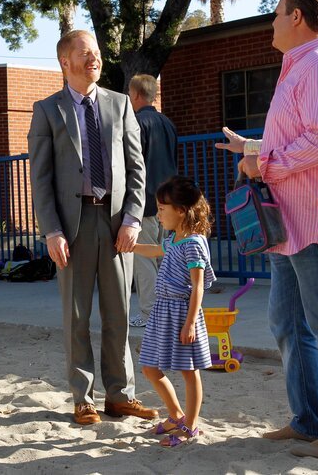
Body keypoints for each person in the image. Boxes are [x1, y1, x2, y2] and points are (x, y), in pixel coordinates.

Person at [216, 0, 318, 460]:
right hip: (294, 221)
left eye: (277, 13)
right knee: (288, 322)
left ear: (298, 17)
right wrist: (254, 148)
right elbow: (302, 136)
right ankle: (309, 421)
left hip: (317, 218)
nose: (272, 22)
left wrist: (263, 164)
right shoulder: (305, 64)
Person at [27, 29, 158, 426]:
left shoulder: (120, 105)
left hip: (118, 225)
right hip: (72, 226)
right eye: (85, 53)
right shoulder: (47, 110)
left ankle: (120, 396)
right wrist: (51, 230)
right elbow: (41, 178)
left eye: (97, 53)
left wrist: (134, 218)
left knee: (119, 312)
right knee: (77, 316)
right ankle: (82, 398)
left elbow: (137, 169)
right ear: (65, 61)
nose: (94, 59)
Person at [134, 176, 214, 447]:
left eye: (161, 209)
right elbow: (157, 250)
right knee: (149, 367)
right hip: (162, 310)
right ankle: (176, 415)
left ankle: (190, 427)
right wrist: (130, 246)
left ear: (181, 210)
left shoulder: (193, 242)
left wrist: (190, 323)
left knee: (189, 371)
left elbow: (198, 286)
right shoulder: (175, 238)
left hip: (182, 312)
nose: (158, 215)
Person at [127, 74, 178, 328]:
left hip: (145, 201)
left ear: (135, 95)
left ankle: (149, 314)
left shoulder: (137, 123)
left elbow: (133, 165)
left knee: (144, 258)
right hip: (169, 201)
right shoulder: (167, 123)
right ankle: (166, 312)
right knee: (162, 257)